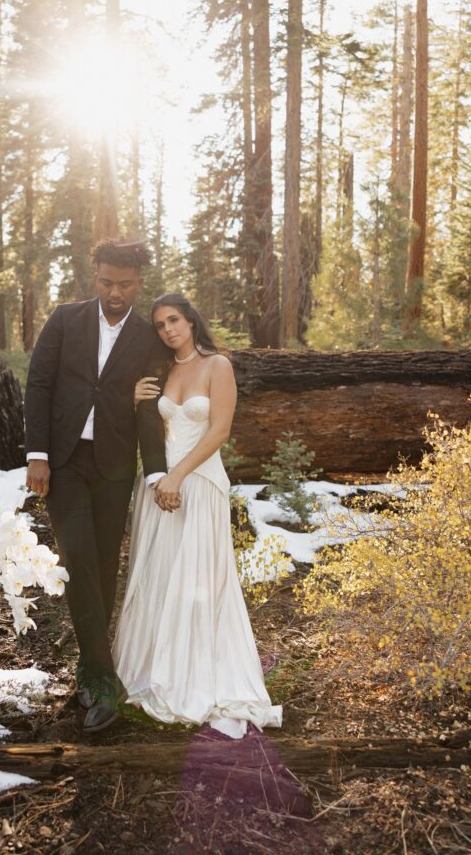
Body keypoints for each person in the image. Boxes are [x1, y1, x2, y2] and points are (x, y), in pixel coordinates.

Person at [113, 293, 283, 738]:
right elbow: (147, 429)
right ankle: (153, 671)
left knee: (199, 580)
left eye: (174, 320)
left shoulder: (217, 366)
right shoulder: (161, 370)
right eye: (159, 324)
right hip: (158, 486)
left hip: (200, 482)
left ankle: (201, 676)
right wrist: (133, 403)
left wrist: (179, 477)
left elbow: (220, 430)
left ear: (191, 320)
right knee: (159, 575)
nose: (167, 329)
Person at [24, 240, 172, 733]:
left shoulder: (150, 337)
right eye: (107, 282)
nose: (115, 292)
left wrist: (155, 469)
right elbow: (39, 384)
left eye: (125, 285)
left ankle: (89, 669)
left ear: (138, 283)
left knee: (106, 565)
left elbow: (151, 404)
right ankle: (106, 682)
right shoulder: (65, 320)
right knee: (78, 560)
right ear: (96, 275)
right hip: (63, 463)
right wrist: (37, 455)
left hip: (113, 465)